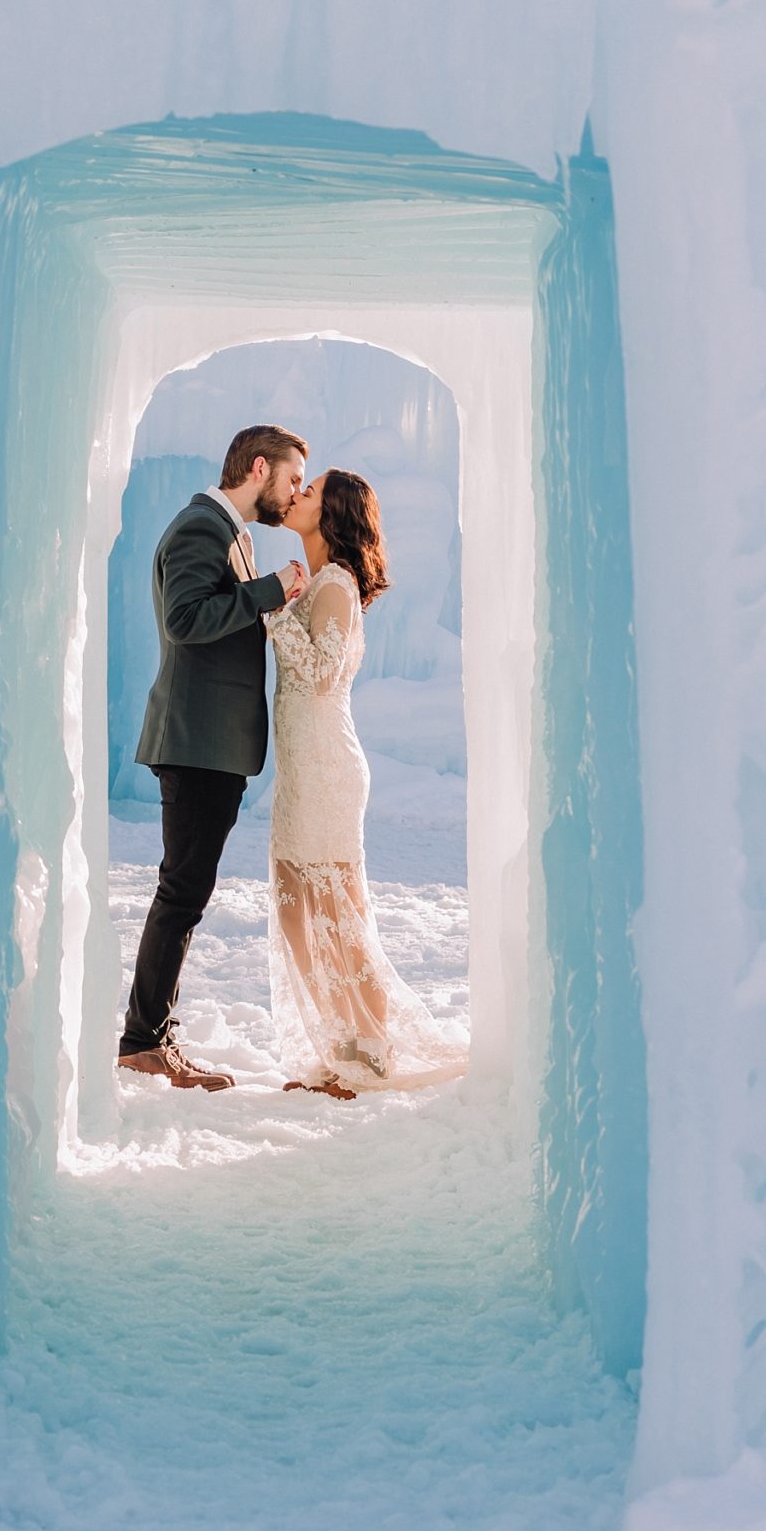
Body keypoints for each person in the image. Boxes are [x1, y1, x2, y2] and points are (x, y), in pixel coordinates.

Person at [118, 424, 309, 1090]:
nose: (295, 493)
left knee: (185, 890)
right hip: (196, 743)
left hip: (209, 744)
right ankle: (144, 1041)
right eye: (290, 479)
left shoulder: (233, 534)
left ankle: (149, 1037)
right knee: (182, 891)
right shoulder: (204, 527)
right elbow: (185, 619)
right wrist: (270, 591)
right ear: (259, 468)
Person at [265, 469, 466, 1098]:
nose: (296, 495)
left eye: (311, 491)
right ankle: (340, 1047)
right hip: (303, 768)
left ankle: (372, 1055)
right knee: (299, 916)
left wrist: (269, 606)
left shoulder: (338, 585)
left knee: (338, 912)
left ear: (333, 515)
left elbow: (322, 673)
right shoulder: (315, 584)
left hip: (328, 765)